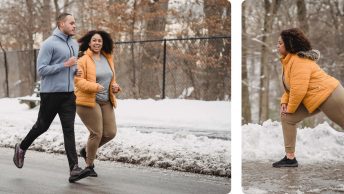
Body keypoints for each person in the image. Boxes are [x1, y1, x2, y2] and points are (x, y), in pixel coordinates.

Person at [13, 13, 91, 182]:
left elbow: (71, 66)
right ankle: (21, 147)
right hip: (51, 94)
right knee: (42, 126)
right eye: (71, 23)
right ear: (61, 24)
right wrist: (65, 65)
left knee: (69, 130)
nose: (74, 26)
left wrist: (74, 70)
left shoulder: (73, 43)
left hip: (69, 95)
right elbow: (42, 70)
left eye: (75, 23)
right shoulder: (49, 44)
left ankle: (74, 169)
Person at [273, 28, 344, 168]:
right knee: (287, 118)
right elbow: (291, 88)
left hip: (331, 95)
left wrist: (290, 108)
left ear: (289, 44)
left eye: (280, 43)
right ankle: (290, 158)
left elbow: (298, 90)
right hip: (315, 98)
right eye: (277, 43)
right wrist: (284, 102)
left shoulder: (298, 61)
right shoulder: (288, 62)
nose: (277, 45)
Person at [75, 30, 120, 176]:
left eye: (99, 41)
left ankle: (86, 151)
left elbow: (111, 79)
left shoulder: (108, 58)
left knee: (110, 133)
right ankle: (89, 165)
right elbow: (78, 81)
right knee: (97, 133)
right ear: (89, 43)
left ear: (103, 43)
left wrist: (115, 87)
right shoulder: (82, 60)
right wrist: (94, 87)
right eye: (94, 40)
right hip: (87, 101)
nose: (97, 43)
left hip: (106, 100)